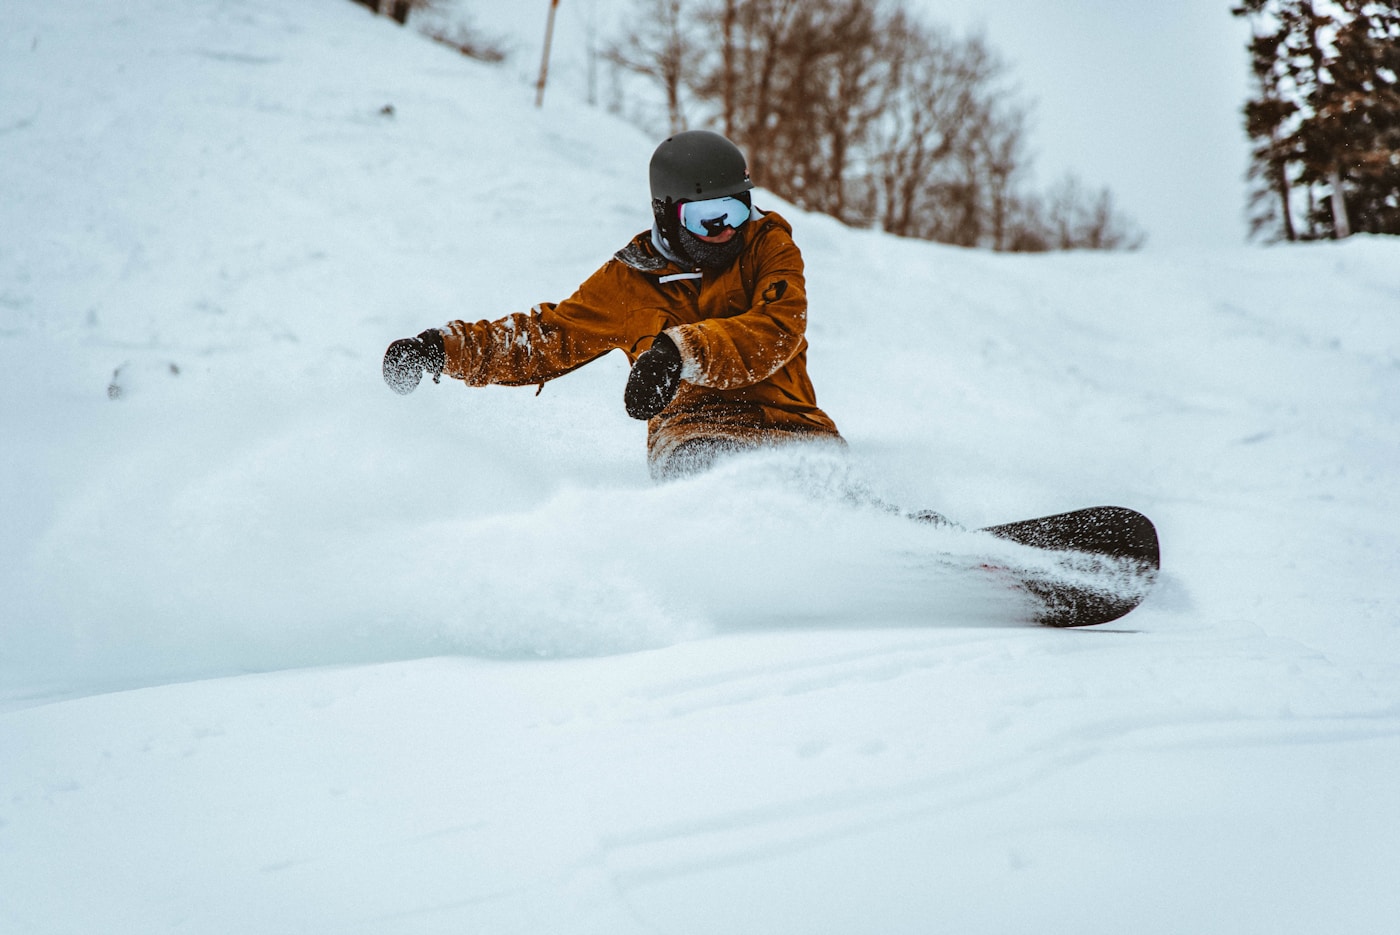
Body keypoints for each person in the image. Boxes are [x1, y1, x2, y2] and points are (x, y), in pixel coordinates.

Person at [382, 130, 842, 480]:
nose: (726, 229)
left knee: (822, 479)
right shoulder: (630, 282)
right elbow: (547, 338)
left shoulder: (769, 248)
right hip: (695, 434)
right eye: (707, 217)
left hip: (794, 425)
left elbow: (775, 329)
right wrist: (441, 349)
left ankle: (876, 539)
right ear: (666, 213)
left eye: (737, 209)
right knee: (726, 481)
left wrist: (678, 353)